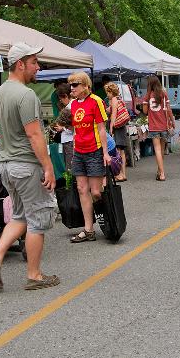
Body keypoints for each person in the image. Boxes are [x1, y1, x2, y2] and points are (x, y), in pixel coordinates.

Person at [0, 42, 60, 291]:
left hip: (6, 166)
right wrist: (48, 166)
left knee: (19, 216)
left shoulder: (0, 92)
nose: (38, 67)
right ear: (20, 64)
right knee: (38, 219)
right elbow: (34, 135)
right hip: (26, 166)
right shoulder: (26, 95)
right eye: (34, 63)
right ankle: (34, 275)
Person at [66, 71, 112, 243]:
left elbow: (101, 129)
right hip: (79, 151)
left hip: (94, 151)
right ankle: (88, 230)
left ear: (85, 85)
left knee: (96, 192)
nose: (72, 88)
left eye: (75, 84)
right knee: (81, 189)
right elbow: (74, 127)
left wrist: (106, 153)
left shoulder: (96, 101)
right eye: (71, 85)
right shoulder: (73, 104)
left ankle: (107, 218)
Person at [142, 75, 175, 181]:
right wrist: (172, 121)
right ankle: (159, 171)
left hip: (154, 126)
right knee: (161, 149)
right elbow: (169, 109)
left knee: (157, 150)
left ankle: (162, 173)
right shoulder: (163, 94)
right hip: (164, 125)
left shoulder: (147, 96)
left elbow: (145, 112)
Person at [104, 82, 130, 181]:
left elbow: (114, 115)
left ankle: (120, 174)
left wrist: (111, 128)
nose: (107, 94)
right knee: (121, 152)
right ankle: (123, 173)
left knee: (118, 152)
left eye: (107, 92)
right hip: (121, 127)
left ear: (111, 91)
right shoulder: (118, 99)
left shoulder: (114, 99)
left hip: (117, 128)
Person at [51, 83, 74, 173]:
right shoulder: (70, 106)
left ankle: (72, 185)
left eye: (61, 99)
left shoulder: (70, 107)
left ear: (65, 96)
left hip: (70, 140)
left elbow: (75, 126)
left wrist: (62, 128)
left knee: (70, 166)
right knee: (69, 165)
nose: (60, 101)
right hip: (68, 140)